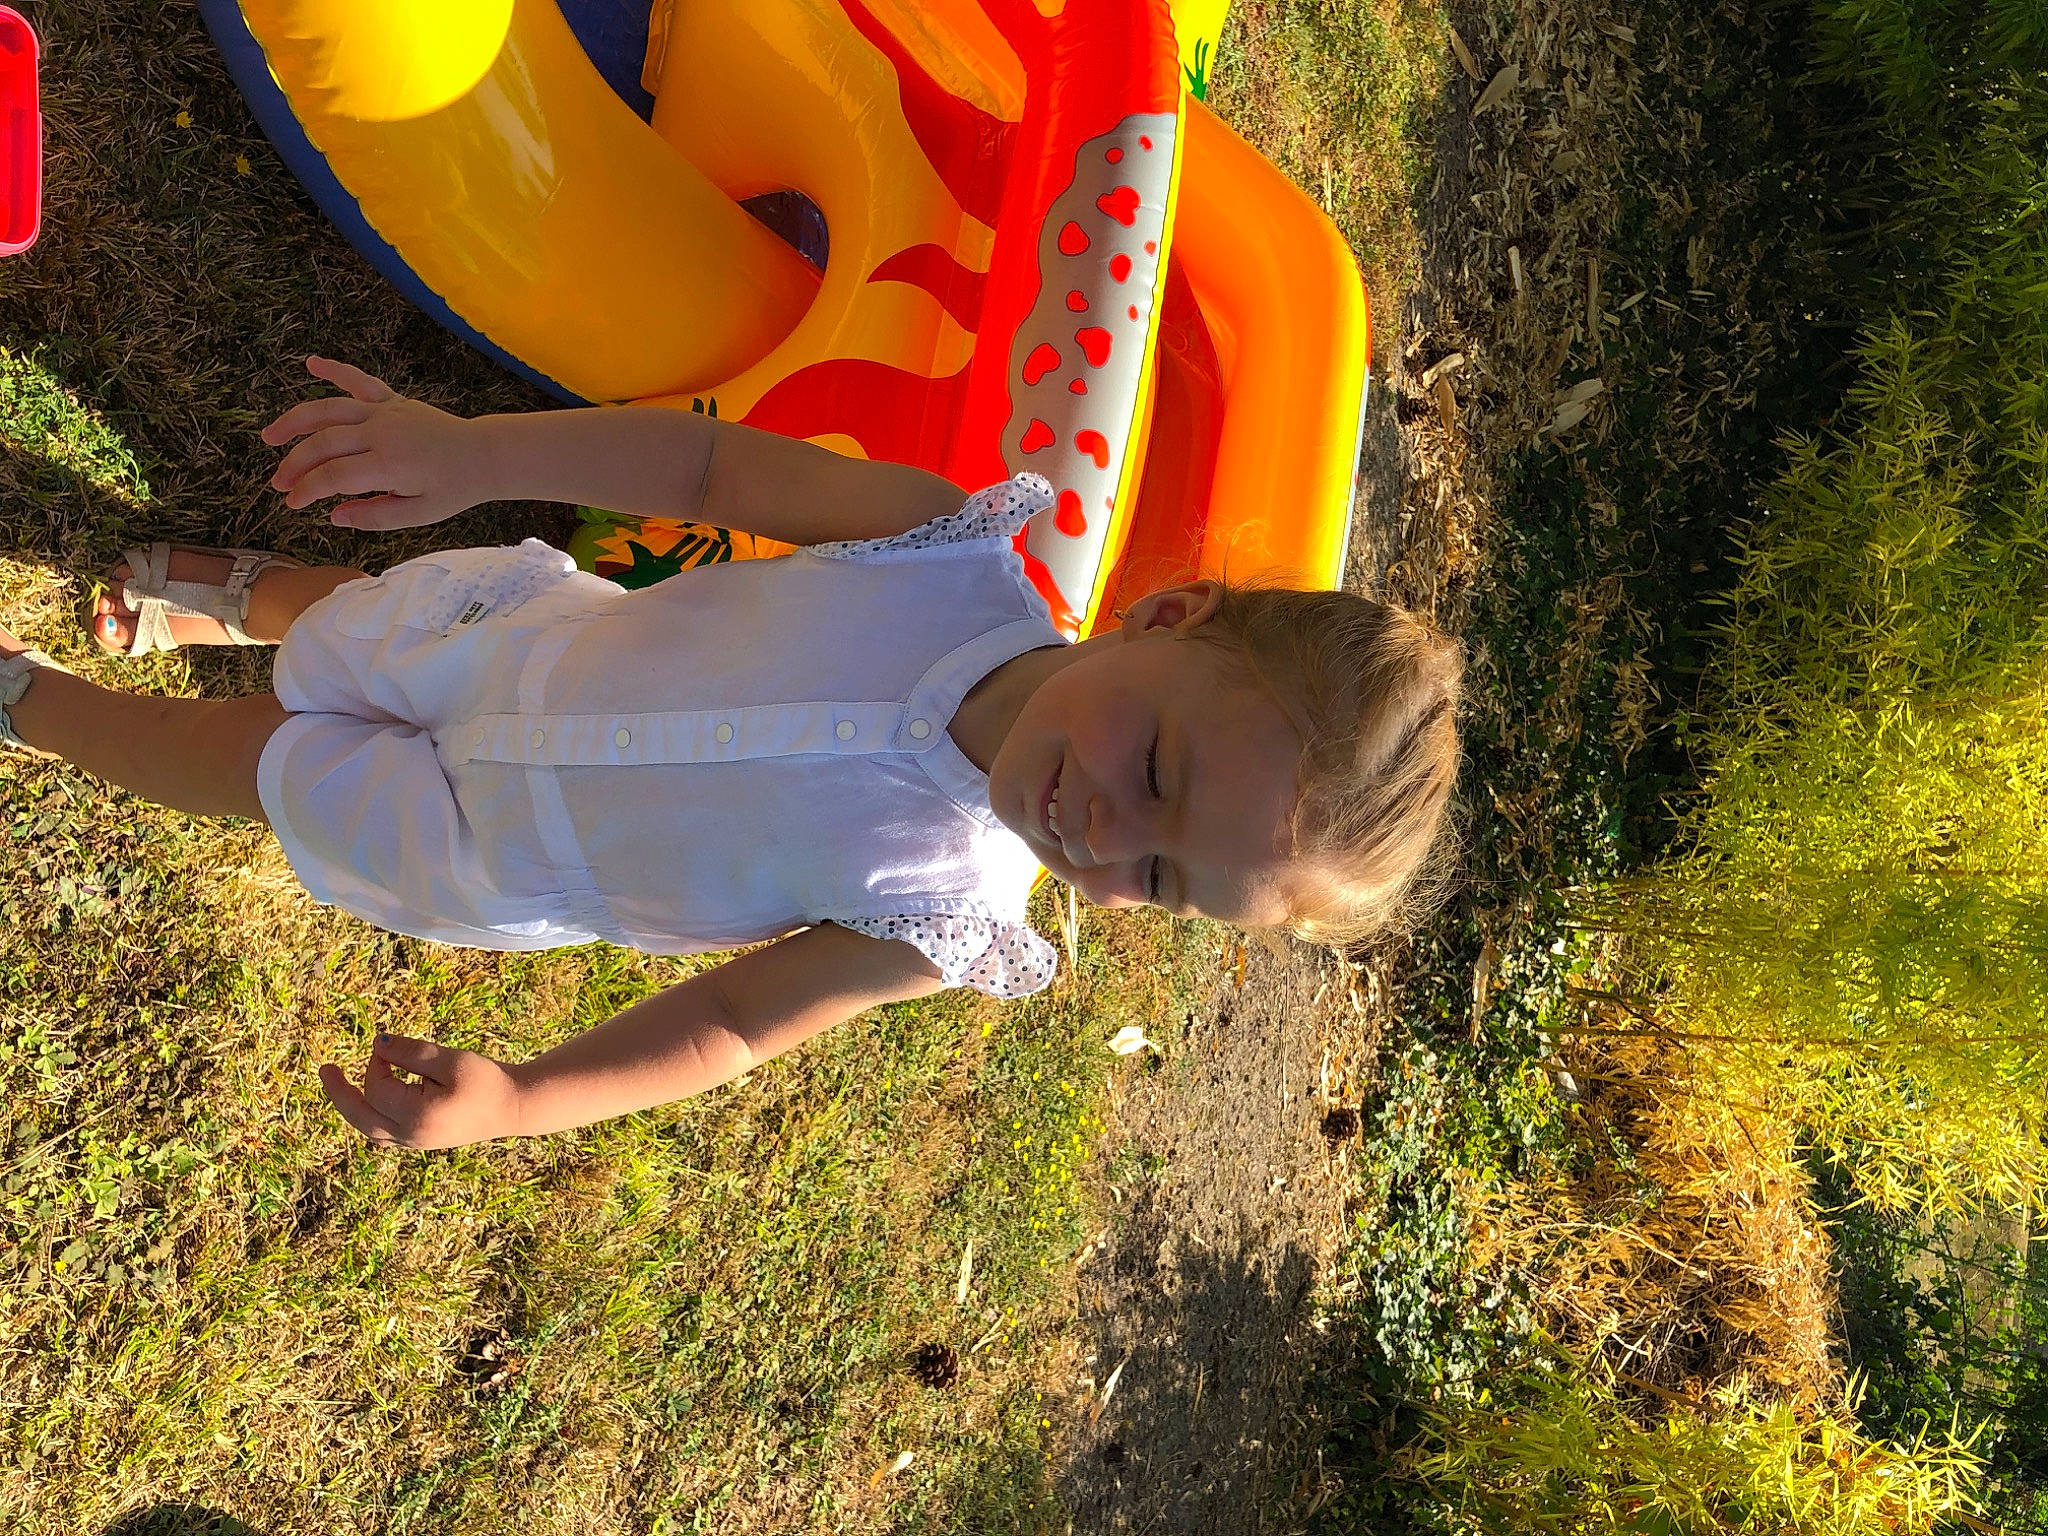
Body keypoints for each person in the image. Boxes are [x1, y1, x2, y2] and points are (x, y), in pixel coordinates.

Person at [0, 357, 1462, 1151]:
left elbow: (736, 1025)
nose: (1104, 831)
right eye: (1158, 767)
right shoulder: (948, 557)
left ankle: (32, 705)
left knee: (267, 774)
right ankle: (234, 599)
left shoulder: (946, 919)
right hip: (511, 647)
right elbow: (707, 470)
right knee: (353, 631)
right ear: (1169, 614)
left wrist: (526, 1096)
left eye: (1161, 874)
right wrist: (470, 452)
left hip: (488, 848)